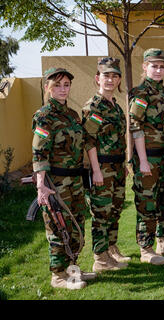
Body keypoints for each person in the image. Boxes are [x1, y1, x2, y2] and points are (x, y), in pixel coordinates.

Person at [32, 67, 95, 289]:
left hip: (75, 181)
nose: (62, 89)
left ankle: (72, 269)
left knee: (77, 225)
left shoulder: (73, 115)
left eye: (66, 85)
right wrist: (41, 186)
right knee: (58, 227)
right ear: (47, 87)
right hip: (55, 183)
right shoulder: (44, 116)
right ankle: (58, 275)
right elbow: (39, 153)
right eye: (57, 85)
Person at [129, 48, 164, 266]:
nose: (159, 70)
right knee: (147, 203)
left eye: (162, 66)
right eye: (154, 66)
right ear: (145, 67)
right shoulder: (140, 94)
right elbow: (135, 127)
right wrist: (142, 160)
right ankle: (146, 248)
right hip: (148, 158)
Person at [82, 58, 129, 272]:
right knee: (101, 213)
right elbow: (89, 140)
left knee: (115, 210)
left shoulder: (116, 107)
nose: (110, 80)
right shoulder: (94, 106)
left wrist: (124, 164)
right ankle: (100, 259)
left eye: (114, 76)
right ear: (97, 78)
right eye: (106, 75)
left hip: (117, 167)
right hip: (102, 167)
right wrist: (96, 170)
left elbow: (119, 138)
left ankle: (111, 249)